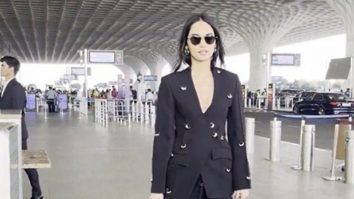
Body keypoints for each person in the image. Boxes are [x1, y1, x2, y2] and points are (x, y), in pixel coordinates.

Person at [149, 14, 251, 199]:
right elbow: (163, 137)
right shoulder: (170, 83)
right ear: (186, 45)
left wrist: (242, 181)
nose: (202, 44)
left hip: (220, 172)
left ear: (215, 44)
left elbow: (237, 135)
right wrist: (157, 188)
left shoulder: (231, 81)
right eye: (195, 39)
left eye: (209, 38)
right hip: (181, 173)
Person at [0, 56, 43, 199]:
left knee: (24, 162)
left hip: (15, 133)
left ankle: (37, 193)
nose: (0, 68)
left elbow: (17, 114)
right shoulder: (5, 86)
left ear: (11, 69)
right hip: (6, 132)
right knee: (21, 161)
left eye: (2, 65)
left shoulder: (16, 88)